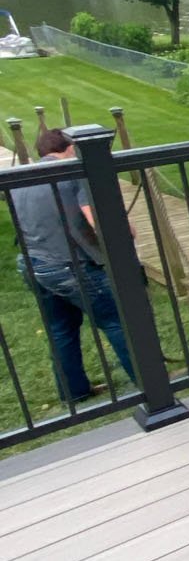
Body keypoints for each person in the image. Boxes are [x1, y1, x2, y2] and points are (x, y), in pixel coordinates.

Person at [10, 127, 137, 402]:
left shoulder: (20, 178)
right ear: (70, 148)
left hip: (32, 264)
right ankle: (150, 383)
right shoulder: (73, 172)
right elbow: (100, 221)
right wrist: (125, 232)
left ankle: (74, 393)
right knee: (118, 320)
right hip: (70, 266)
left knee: (61, 329)